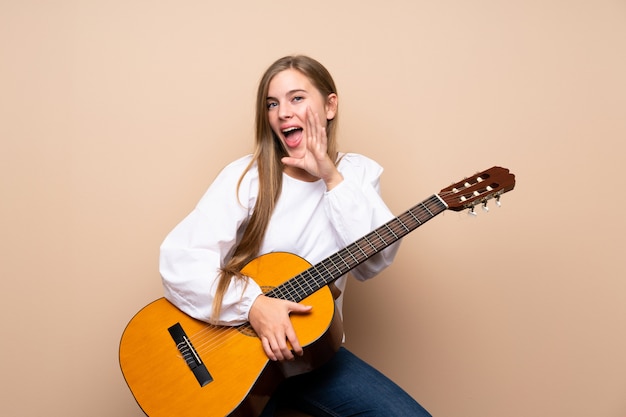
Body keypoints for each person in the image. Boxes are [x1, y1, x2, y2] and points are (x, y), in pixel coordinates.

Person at [159, 55, 432, 417]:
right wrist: (254, 306)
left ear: (330, 105)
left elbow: (373, 263)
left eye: (297, 98)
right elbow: (180, 259)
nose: (283, 112)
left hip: (313, 357)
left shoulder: (359, 173)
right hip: (234, 359)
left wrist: (332, 178)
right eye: (272, 103)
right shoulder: (247, 176)